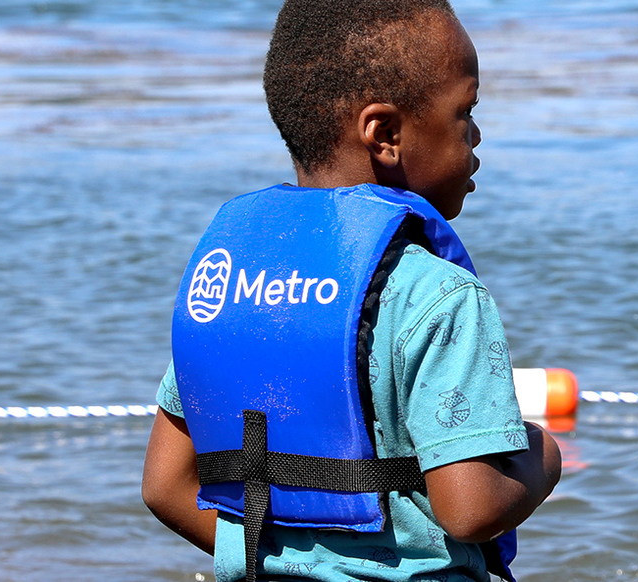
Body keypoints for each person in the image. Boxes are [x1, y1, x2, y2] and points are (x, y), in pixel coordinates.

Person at [140, 1, 562, 581]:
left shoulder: (239, 283)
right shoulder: (439, 295)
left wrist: (284, 559)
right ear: (384, 134)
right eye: (465, 111)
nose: (478, 134)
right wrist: (545, 456)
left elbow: (165, 485)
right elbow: (472, 508)